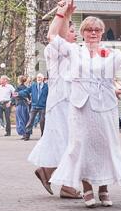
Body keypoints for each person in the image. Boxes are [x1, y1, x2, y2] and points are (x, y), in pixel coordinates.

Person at [47, 0, 121, 207]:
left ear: (102, 33)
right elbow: (52, 36)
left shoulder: (112, 53)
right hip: (80, 107)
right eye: (89, 30)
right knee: (81, 146)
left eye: (97, 30)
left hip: (105, 106)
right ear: (83, 33)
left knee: (105, 146)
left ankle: (104, 188)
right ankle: (86, 189)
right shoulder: (74, 50)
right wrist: (61, 14)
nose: (93, 33)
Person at [28, 21, 82, 199]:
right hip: (60, 103)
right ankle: (65, 184)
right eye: (72, 31)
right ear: (62, 33)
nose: (76, 34)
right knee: (68, 142)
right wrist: (62, 14)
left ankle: (48, 171)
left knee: (67, 142)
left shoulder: (73, 52)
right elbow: (52, 34)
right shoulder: (53, 51)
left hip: (70, 102)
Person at [17, 73, 48, 141]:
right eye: (38, 78)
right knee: (30, 120)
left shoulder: (46, 86)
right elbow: (26, 91)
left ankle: (43, 135)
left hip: (42, 106)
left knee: (42, 120)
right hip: (34, 106)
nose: (39, 79)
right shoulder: (33, 86)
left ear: (43, 79)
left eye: (40, 77)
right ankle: (27, 135)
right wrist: (19, 93)